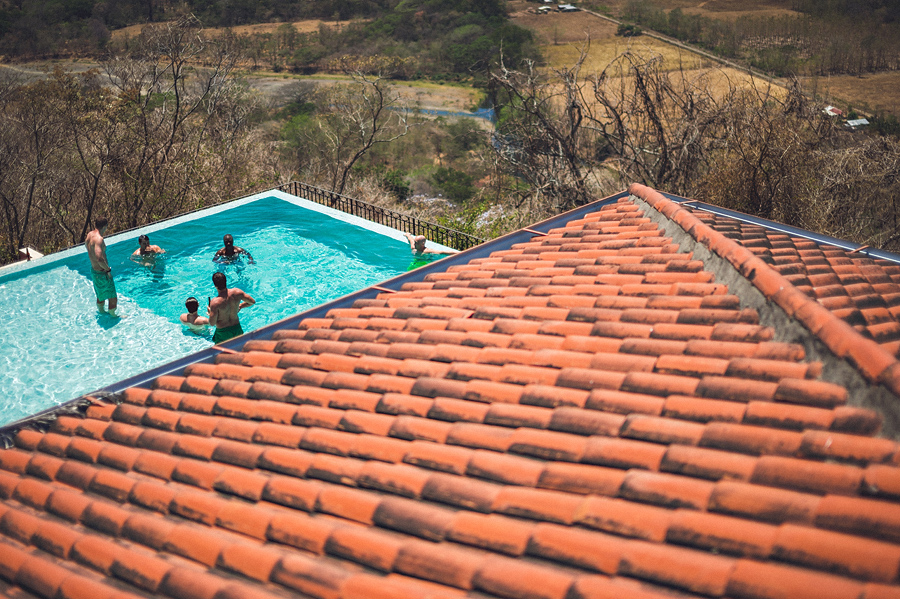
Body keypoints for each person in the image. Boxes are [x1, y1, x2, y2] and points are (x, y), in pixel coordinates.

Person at [207, 271, 255, 344]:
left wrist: (210, 312)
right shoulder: (237, 292)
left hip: (223, 333)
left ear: (215, 285)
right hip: (237, 329)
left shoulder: (215, 302)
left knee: (223, 354)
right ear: (226, 281)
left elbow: (212, 323)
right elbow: (252, 302)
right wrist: (241, 306)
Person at [85, 215, 119, 316]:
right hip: (102, 272)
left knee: (100, 294)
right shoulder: (99, 239)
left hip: (94, 272)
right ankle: (113, 316)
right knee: (112, 296)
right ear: (105, 226)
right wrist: (107, 270)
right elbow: (99, 258)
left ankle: (101, 312)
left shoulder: (89, 235)